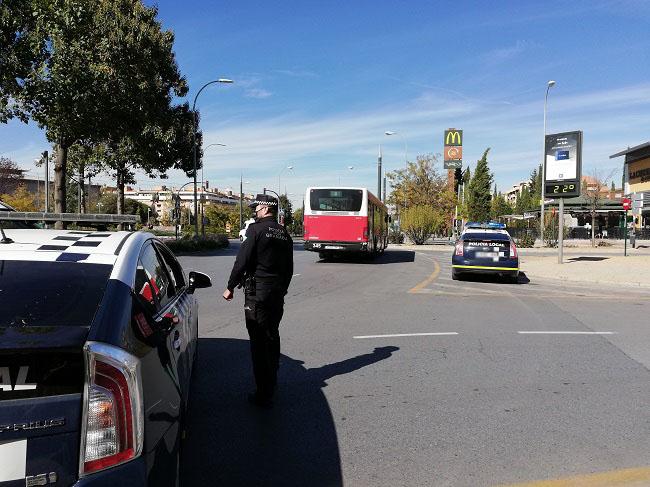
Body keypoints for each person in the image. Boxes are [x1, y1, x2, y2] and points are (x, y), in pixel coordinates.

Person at [222, 194, 294, 408]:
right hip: (277, 293)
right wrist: (282, 289)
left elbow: (241, 260)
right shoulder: (284, 233)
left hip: (257, 293)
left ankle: (263, 392)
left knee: (258, 340)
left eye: (256, 208)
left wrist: (230, 286)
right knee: (272, 335)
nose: (255, 211)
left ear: (265, 209)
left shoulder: (255, 230)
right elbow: (289, 268)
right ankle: (272, 381)